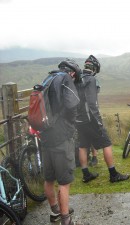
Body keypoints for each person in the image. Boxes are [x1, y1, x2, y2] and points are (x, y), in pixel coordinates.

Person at [40, 59, 89, 225]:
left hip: (45, 136)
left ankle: (54, 211)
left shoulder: (48, 78)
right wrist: (71, 123)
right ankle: (65, 218)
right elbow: (72, 104)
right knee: (64, 182)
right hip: (61, 137)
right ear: (73, 73)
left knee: (49, 179)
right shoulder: (66, 79)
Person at [75, 55, 130, 183]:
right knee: (106, 143)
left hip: (78, 120)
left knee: (83, 145)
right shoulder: (91, 80)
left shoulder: (76, 80)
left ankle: (86, 174)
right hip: (91, 119)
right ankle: (113, 174)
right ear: (94, 69)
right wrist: (98, 120)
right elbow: (92, 102)